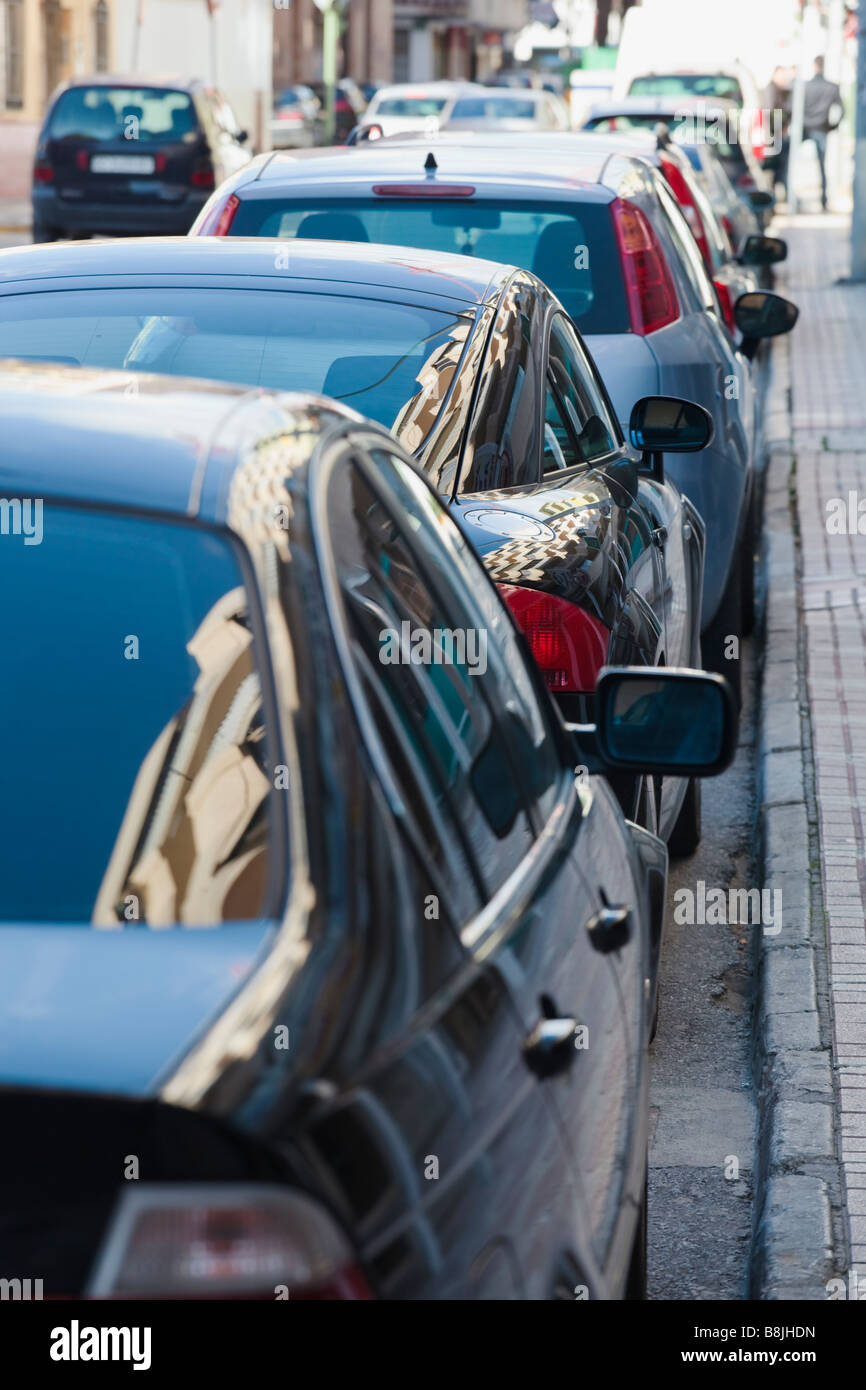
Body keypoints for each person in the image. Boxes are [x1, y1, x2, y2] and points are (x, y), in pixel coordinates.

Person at [802, 56, 844, 211]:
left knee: (789, 163)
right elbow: (842, 111)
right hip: (821, 129)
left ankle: (789, 195)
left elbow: (791, 108)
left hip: (805, 129)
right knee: (822, 166)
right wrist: (833, 127)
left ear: (814, 66)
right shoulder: (831, 87)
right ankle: (823, 201)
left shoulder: (805, 87)